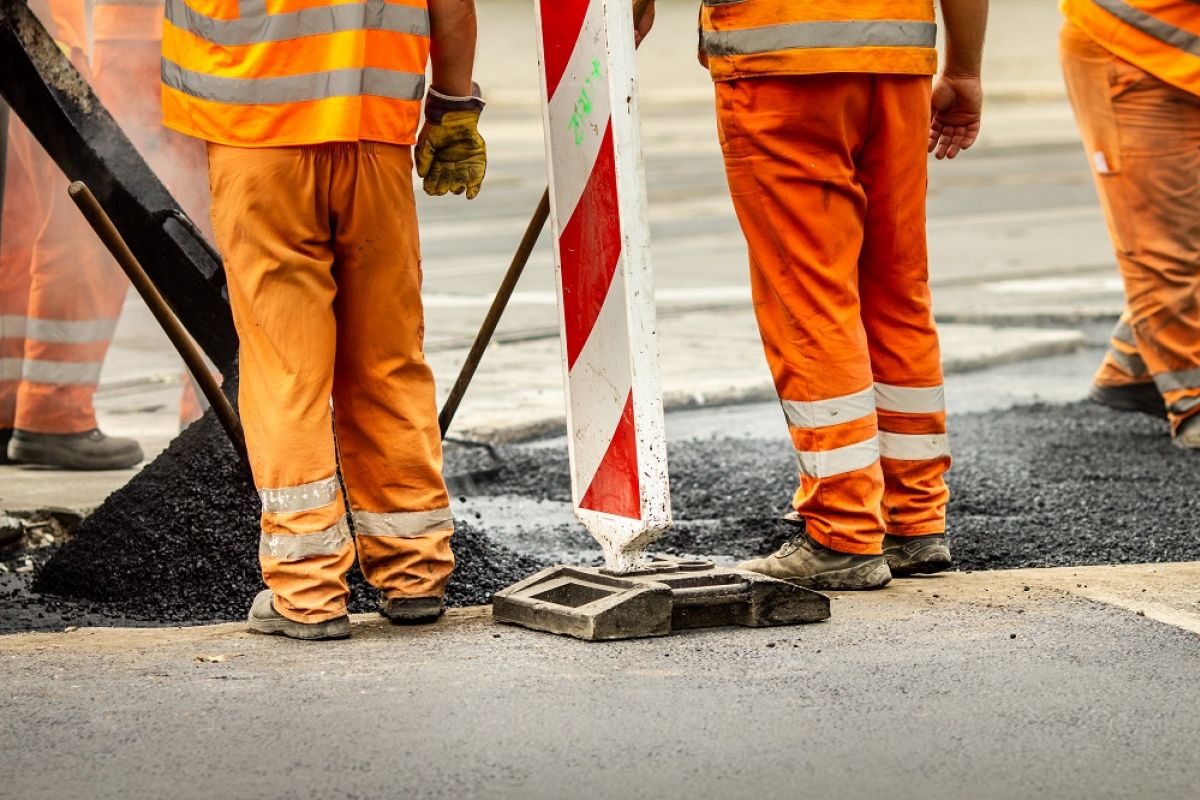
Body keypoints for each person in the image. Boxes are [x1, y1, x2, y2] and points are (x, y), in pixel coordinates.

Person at [161, 0, 487, 639]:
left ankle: (309, 591)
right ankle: (414, 570)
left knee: (286, 368)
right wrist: (452, 106)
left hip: (257, 141)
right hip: (374, 134)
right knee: (387, 356)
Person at [639, 0, 987, 589]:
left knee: (811, 297)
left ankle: (844, 530)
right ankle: (912, 517)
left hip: (779, 65)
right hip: (898, 59)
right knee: (895, 289)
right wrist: (966, 69)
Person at [1, 0, 144, 470]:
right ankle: (53, 411)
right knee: (84, 229)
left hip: (40, 32)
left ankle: (12, 406)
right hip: (67, 39)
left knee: (25, 222)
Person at [1059, 0, 1200, 449]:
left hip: (1179, 52)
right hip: (1136, 54)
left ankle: (1133, 365)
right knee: (1162, 245)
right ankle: (1192, 402)